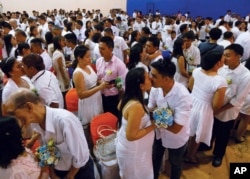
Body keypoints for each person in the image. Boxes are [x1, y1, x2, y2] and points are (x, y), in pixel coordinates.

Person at [5, 88, 95, 179]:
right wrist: (52, 173)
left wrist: (70, 176)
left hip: (79, 171)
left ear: (29, 107)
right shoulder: (35, 124)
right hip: (59, 170)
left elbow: (81, 157)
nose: (12, 119)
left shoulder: (65, 121)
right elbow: (48, 148)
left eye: (13, 113)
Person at [148, 58, 192, 179]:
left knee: (175, 163)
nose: (149, 77)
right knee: (155, 158)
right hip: (159, 134)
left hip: (176, 138)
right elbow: (151, 108)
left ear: (166, 79)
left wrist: (156, 117)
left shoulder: (182, 96)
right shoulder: (155, 88)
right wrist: (163, 117)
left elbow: (176, 128)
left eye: (154, 75)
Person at [211, 44, 250, 167]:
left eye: (227, 55)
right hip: (215, 107)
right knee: (211, 129)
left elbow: (238, 99)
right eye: (224, 55)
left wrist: (219, 109)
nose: (224, 58)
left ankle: (218, 155)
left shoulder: (246, 75)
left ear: (238, 57)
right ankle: (206, 145)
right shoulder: (222, 68)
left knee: (223, 135)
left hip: (227, 112)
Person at [185, 51, 227, 163]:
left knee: (189, 129)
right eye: (222, 58)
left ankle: (185, 151)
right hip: (204, 108)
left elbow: (190, 85)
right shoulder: (220, 81)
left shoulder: (197, 71)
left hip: (192, 101)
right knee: (198, 134)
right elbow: (217, 104)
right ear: (217, 63)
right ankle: (191, 155)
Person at [117, 67, 156, 179]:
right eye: (148, 77)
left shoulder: (128, 96)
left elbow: (119, 107)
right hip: (134, 152)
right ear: (141, 86)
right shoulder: (136, 106)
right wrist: (153, 125)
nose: (151, 78)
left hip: (135, 149)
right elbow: (131, 135)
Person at [73, 45, 108, 153]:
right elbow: (81, 94)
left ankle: (99, 147)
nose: (90, 59)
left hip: (96, 98)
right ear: (79, 58)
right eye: (87, 57)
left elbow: (94, 81)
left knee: (98, 123)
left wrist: (101, 83)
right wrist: (99, 87)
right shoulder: (78, 73)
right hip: (88, 102)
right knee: (89, 128)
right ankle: (90, 151)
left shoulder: (88, 67)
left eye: (90, 56)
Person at [96, 36, 128, 119]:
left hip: (114, 98)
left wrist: (119, 100)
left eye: (103, 49)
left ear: (111, 49)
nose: (100, 51)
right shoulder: (99, 61)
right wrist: (101, 83)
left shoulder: (119, 64)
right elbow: (98, 78)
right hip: (101, 96)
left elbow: (122, 85)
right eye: (99, 48)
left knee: (114, 119)